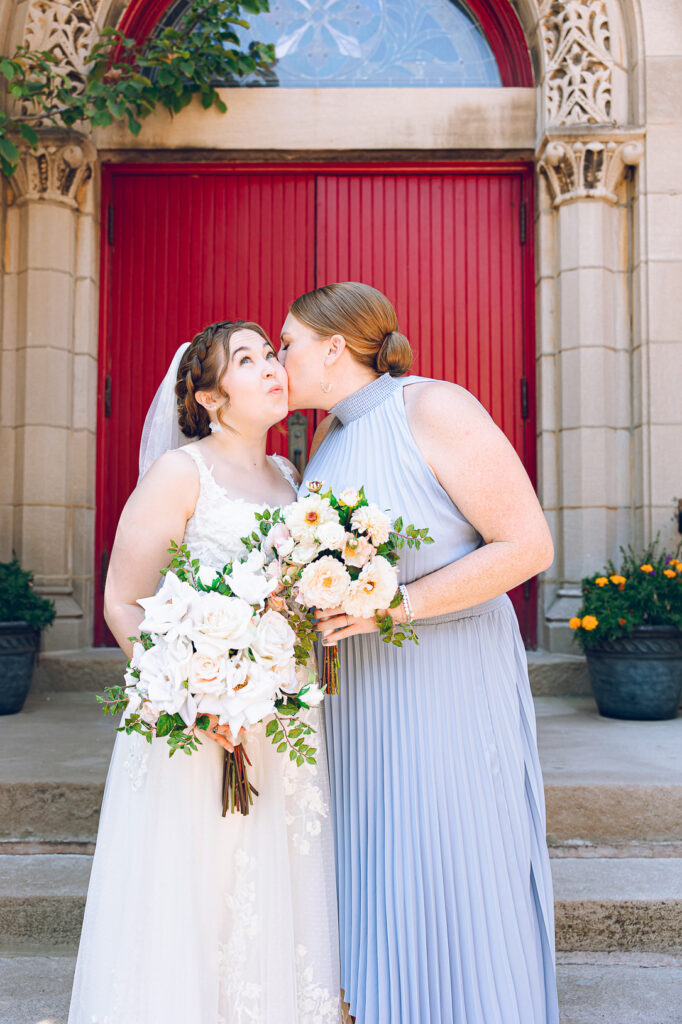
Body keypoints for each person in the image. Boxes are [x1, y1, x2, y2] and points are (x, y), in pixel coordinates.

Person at [278, 283, 560, 1024]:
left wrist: (393, 607)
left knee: (455, 863)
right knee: (379, 871)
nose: (280, 361)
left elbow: (527, 545)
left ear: (334, 347)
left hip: (448, 684)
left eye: (288, 345)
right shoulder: (326, 444)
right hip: (359, 699)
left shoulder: (431, 408)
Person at [68, 321, 341, 1024]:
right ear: (212, 398)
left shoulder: (290, 476)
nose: (272, 366)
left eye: (270, 354)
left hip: (279, 718)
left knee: (271, 884)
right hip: (195, 724)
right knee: (195, 884)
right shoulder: (180, 473)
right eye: (246, 360)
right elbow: (122, 603)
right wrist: (195, 694)